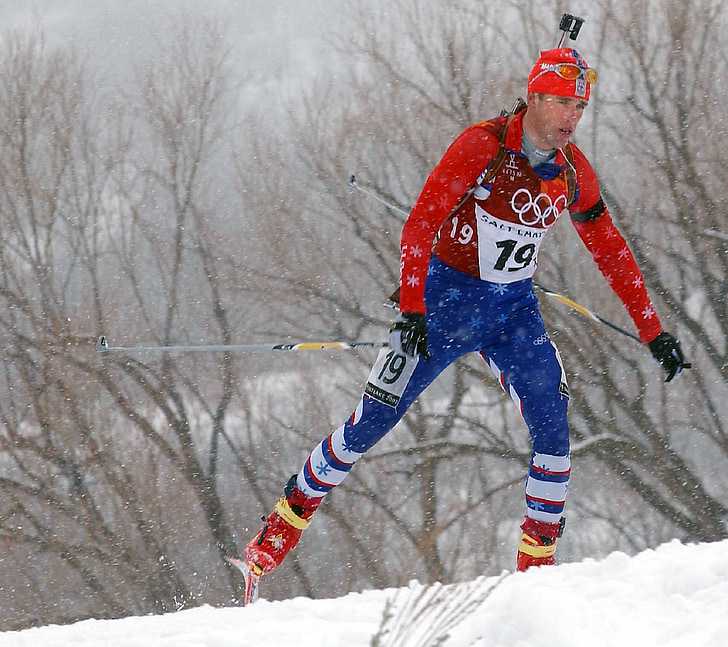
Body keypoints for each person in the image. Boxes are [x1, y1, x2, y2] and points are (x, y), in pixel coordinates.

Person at [241, 47, 690, 577]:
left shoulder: (573, 173)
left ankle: (536, 571)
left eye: (581, 108)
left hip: (512, 314)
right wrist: (411, 310)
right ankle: (281, 528)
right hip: (443, 305)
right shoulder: (484, 145)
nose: (574, 118)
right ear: (536, 98)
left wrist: (654, 331)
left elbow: (611, 250)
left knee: (553, 425)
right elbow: (419, 225)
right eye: (565, 104)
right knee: (372, 423)